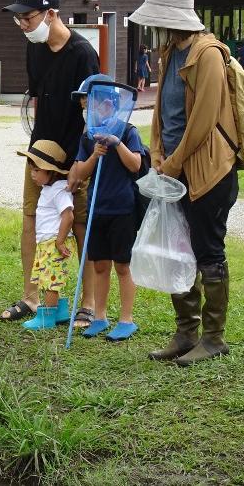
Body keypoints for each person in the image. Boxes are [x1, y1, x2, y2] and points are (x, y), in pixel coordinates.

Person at [132, 0, 239, 366]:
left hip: (208, 172)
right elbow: (164, 112)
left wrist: (173, 163)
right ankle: (185, 332)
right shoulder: (170, 51)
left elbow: (204, 119)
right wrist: (158, 153)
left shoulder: (207, 52)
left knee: (208, 250)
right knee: (177, 248)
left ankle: (213, 338)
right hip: (173, 169)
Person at [0, 0, 99, 327]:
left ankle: (87, 303)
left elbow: (94, 114)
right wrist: (38, 153)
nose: (22, 24)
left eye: (27, 17)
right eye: (18, 19)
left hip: (74, 154)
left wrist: (80, 165)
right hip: (40, 151)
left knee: (80, 223)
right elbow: (39, 97)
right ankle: (31, 297)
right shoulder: (34, 48)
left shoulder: (83, 53)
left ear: (51, 14)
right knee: (32, 218)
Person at [68, 76, 143, 341]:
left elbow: (135, 165)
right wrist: (95, 154)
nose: (87, 106)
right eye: (85, 103)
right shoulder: (88, 137)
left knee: (122, 265)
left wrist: (116, 143)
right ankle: (99, 316)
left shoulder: (128, 130)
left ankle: (126, 319)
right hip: (96, 209)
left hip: (121, 209)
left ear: (108, 102)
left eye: (90, 101)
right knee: (100, 265)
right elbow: (79, 173)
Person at [15, 140, 76, 330]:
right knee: (46, 277)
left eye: (36, 170)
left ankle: (46, 317)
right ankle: (59, 312)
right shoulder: (48, 189)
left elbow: (68, 215)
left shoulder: (59, 191)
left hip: (54, 242)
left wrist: (59, 241)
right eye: (32, 170)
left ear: (50, 171)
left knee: (51, 281)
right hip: (46, 242)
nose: (32, 174)